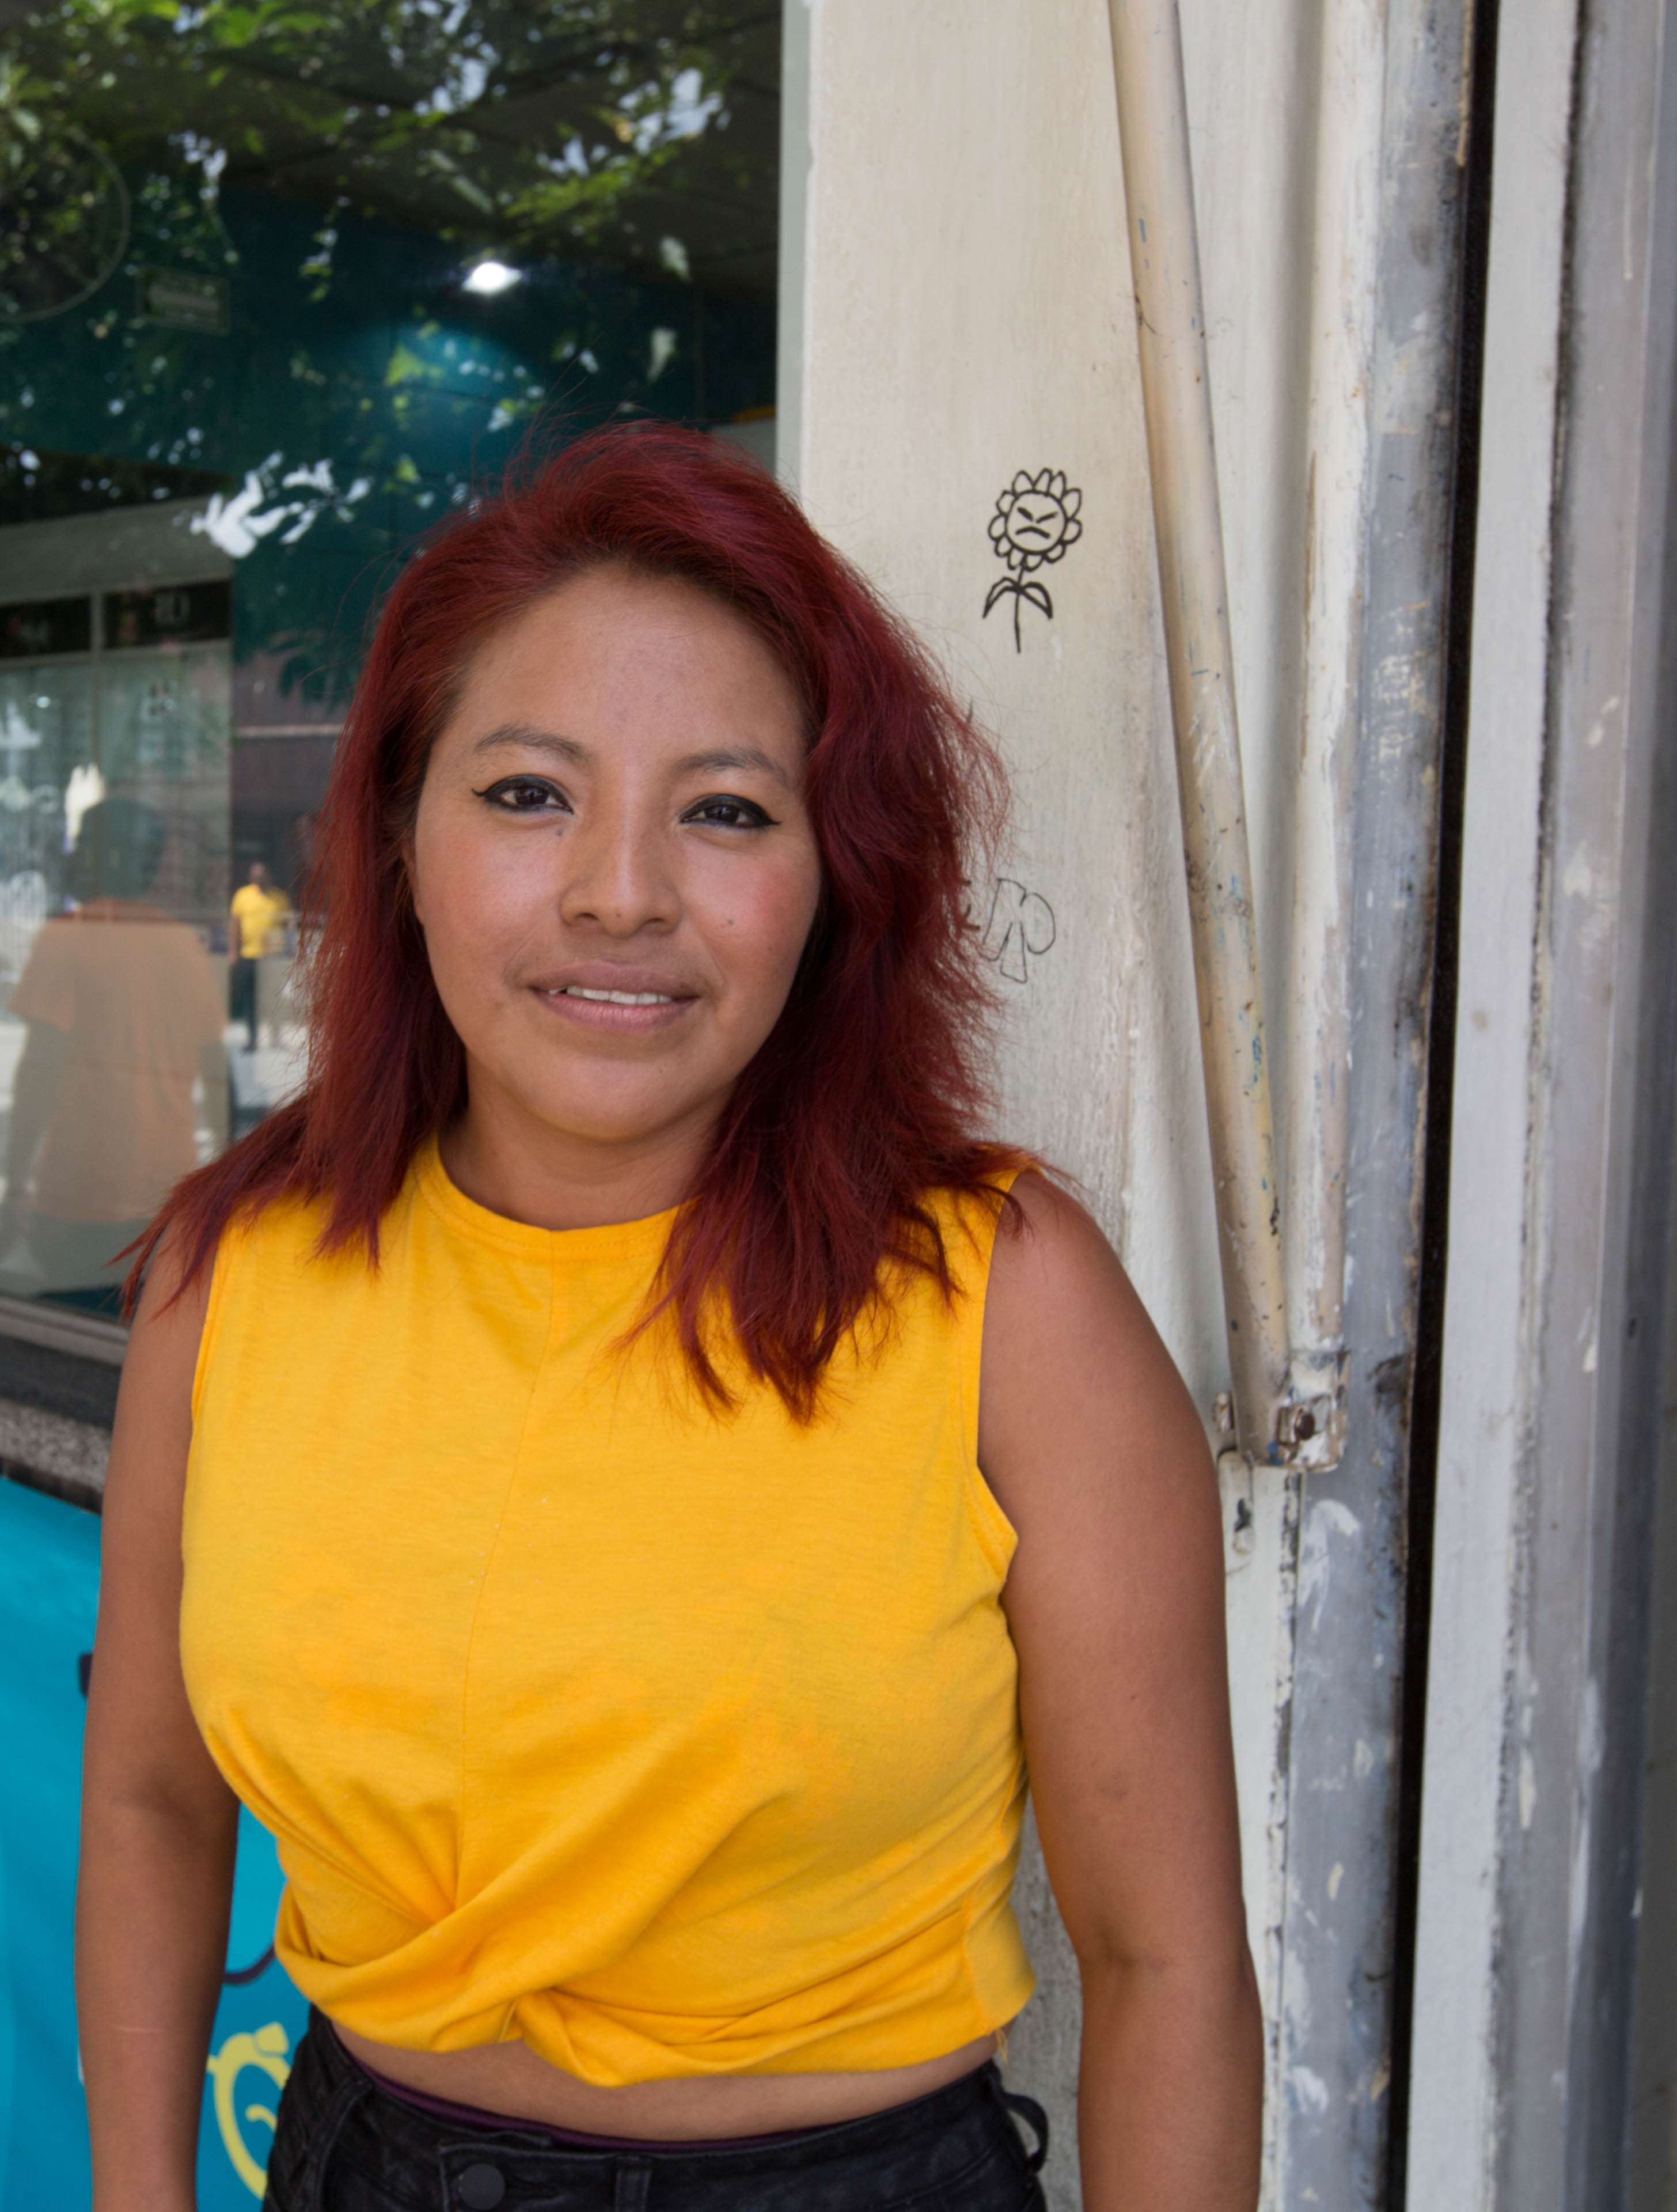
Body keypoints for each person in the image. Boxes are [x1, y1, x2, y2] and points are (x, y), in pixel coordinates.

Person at [75, 426, 1258, 2211]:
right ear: (400, 837)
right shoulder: (230, 1273)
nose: (621, 890)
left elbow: (1166, 1959)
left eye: (724, 809)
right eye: (531, 791)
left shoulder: (1008, 1301)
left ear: (834, 875)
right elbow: (154, 1797)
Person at [3, 797, 231, 1297]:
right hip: (168, 1194)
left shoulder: (70, 937)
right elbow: (218, 1070)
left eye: (84, 844)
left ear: (110, 857)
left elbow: (37, 1072)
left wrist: (13, 1179)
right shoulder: (182, 947)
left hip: (77, 1197)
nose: (75, 855)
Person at [228, 863, 293, 1045]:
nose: (258, 878)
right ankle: (252, 1039)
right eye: (255, 875)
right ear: (251, 877)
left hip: (273, 955)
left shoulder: (280, 898)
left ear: (268, 876)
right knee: (251, 998)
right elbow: (234, 924)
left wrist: (291, 951)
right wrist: (234, 951)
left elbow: (289, 925)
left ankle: (276, 1038)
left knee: (275, 997)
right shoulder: (242, 896)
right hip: (250, 955)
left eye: (261, 875)